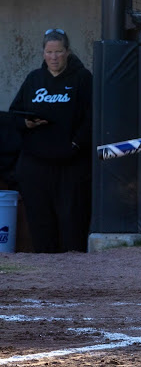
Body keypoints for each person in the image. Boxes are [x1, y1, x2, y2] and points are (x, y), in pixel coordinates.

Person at [8, 28, 92, 253]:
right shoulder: (34, 79)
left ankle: (75, 280)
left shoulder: (82, 79)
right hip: (36, 165)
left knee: (72, 225)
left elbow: (92, 118)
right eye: (49, 52)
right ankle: (44, 281)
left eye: (59, 51)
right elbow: (14, 114)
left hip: (71, 166)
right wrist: (27, 123)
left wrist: (76, 144)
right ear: (43, 53)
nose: (54, 57)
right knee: (40, 225)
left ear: (68, 52)